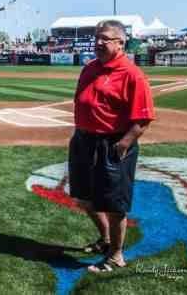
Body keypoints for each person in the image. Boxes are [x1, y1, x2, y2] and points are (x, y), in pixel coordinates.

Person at [68, 20, 155, 273]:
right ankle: (106, 240)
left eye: (105, 38)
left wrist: (123, 145)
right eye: (97, 37)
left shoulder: (132, 74)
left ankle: (116, 256)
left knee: (114, 205)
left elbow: (143, 118)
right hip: (83, 141)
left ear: (120, 42)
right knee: (84, 198)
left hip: (113, 143)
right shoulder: (90, 68)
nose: (98, 42)